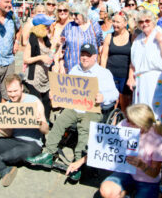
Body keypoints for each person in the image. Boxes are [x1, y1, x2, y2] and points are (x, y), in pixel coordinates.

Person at [27, 43, 119, 181]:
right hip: (74, 107)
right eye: (82, 55)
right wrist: (56, 94)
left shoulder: (103, 73)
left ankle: (78, 163)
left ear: (95, 57)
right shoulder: (75, 70)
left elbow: (115, 93)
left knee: (84, 129)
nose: (85, 58)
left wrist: (103, 97)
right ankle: (48, 153)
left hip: (92, 109)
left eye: (88, 55)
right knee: (59, 121)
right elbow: (66, 90)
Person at [0, 74, 49, 187]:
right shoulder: (7, 105)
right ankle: (3, 169)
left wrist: (40, 123)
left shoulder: (34, 101)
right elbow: (9, 134)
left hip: (32, 144)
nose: (12, 94)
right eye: (9, 92)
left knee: (15, 153)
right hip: (14, 140)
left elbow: (46, 131)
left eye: (15, 91)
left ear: (21, 88)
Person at [100, 104, 162, 198]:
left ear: (140, 124)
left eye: (130, 121)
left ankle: (159, 192)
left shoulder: (157, 139)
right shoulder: (125, 124)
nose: (127, 122)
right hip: (127, 173)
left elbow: (155, 172)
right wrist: (81, 161)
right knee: (107, 190)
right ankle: (125, 192)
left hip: (147, 179)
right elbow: (104, 145)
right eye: (128, 119)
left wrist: (141, 165)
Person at [127, 10, 162, 136]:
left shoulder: (161, 34)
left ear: (153, 21)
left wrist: (161, 41)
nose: (144, 24)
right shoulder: (138, 39)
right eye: (141, 22)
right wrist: (130, 77)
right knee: (141, 113)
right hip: (140, 82)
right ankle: (143, 141)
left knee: (156, 114)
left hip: (157, 81)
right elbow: (133, 63)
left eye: (147, 21)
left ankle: (158, 144)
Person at [23, 14, 56, 121]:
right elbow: (26, 59)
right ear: (40, 27)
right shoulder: (32, 41)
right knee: (37, 102)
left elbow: (50, 54)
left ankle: (45, 122)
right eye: (46, 26)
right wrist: (40, 57)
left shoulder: (46, 39)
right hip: (34, 76)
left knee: (47, 101)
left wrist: (58, 47)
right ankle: (36, 124)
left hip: (45, 76)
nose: (49, 28)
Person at [100, 11, 132, 113]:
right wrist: (102, 73)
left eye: (118, 22)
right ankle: (112, 123)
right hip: (111, 74)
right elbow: (104, 56)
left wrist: (131, 77)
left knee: (125, 103)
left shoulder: (132, 37)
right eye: (113, 21)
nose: (115, 24)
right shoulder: (109, 36)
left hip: (125, 75)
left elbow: (134, 58)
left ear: (125, 23)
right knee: (112, 101)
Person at [59, 2, 103, 73]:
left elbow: (101, 46)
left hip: (90, 70)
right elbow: (61, 48)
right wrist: (61, 65)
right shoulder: (68, 27)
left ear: (83, 13)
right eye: (71, 14)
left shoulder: (94, 26)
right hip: (71, 69)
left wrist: (102, 66)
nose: (73, 17)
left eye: (76, 14)